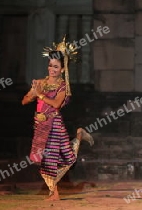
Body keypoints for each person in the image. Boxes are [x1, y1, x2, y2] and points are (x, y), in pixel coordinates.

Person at [21, 37, 94, 201]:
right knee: (41, 159)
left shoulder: (63, 87)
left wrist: (40, 94)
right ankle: (54, 192)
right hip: (40, 125)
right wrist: (32, 93)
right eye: (50, 65)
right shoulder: (40, 82)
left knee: (58, 158)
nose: (51, 69)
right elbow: (24, 100)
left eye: (55, 66)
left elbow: (55, 104)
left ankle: (54, 193)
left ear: (62, 69)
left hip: (54, 124)